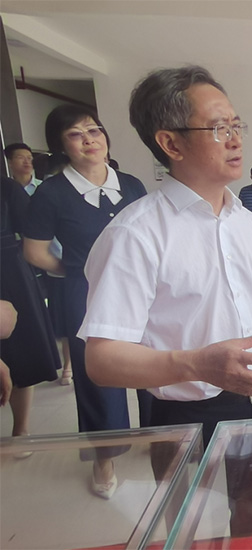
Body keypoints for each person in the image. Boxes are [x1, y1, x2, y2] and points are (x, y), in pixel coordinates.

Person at [78, 66, 252, 532]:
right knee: (188, 530)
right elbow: (102, 359)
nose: (236, 139)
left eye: (237, 125)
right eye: (219, 128)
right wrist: (196, 364)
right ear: (171, 144)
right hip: (187, 414)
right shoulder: (135, 234)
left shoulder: (247, 221)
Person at [23, 105, 149, 498]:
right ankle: (104, 457)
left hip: (142, 289)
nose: (89, 139)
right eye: (76, 134)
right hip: (87, 293)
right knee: (100, 376)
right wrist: (76, 271)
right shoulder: (52, 193)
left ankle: (161, 436)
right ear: (61, 146)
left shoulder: (131, 185)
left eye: (94, 130)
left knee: (153, 364)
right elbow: (35, 251)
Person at [1, 176, 61, 445]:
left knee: (22, 352)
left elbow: (32, 229)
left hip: (9, 271)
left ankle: (21, 429)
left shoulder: (7, 188)